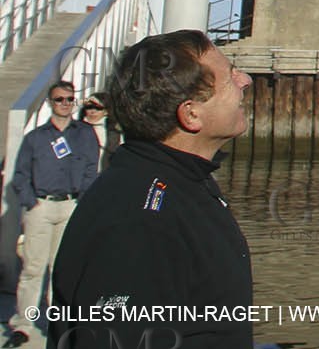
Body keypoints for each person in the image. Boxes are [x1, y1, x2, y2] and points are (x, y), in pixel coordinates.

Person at [49, 30, 254, 349]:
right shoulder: (142, 221)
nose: (246, 81)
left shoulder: (182, 182)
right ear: (191, 114)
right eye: (230, 77)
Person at [5, 82, 100, 346]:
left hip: (70, 205)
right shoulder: (36, 138)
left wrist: (82, 200)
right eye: (60, 99)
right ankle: (23, 324)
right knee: (33, 268)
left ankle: (56, 323)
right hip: (41, 205)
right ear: (50, 102)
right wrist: (30, 202)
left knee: (62, 268)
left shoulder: (85, 135)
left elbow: (92, 169)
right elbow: (21, 174)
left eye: (70, 99)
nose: (65, 104)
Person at [77, 93, 117, 170]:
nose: (93, 111)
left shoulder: (114, 133)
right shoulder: (76, 130)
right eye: (89, 107)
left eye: (98, 108)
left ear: (106, 111)